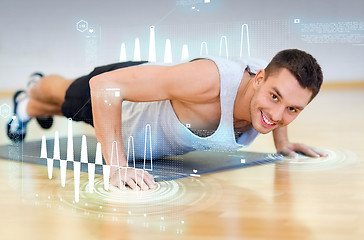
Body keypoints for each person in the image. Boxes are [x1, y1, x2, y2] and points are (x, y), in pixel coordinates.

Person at [7, 49, 328, 191]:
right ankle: (35, 88)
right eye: (274, 98)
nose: (276, 115)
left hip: (144, 114)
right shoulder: (209, 81)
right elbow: (104, 88)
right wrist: (117, 166)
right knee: (67, 96)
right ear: (259, 80)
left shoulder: (273, 87)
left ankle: (27, 106)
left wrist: (283, 143)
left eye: (293, 110)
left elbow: (284, 97)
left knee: (58, 105)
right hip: (125, 104)